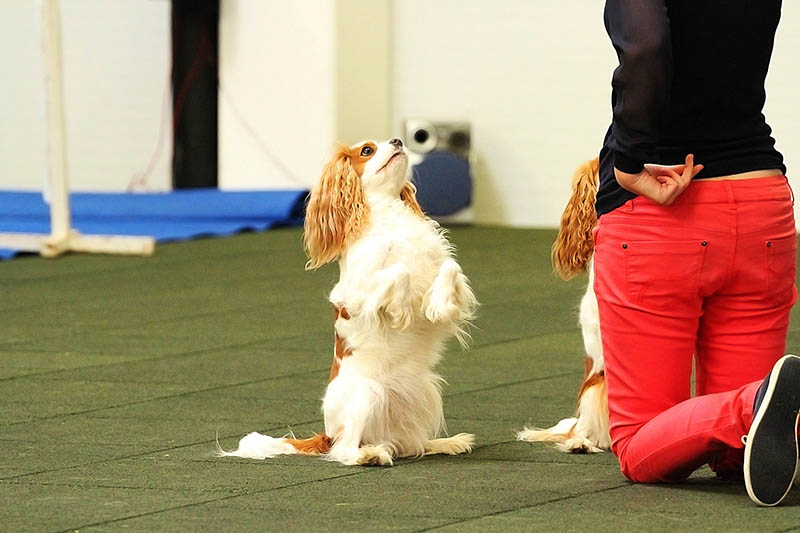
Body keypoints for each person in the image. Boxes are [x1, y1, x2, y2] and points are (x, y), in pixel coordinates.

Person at [593, 0, 800, 506]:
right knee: (737, 454)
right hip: (761, 206)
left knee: (640, 445)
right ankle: (759, 410)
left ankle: (749, 405)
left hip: (665, 206)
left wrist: (630, 157)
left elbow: (646, 46)